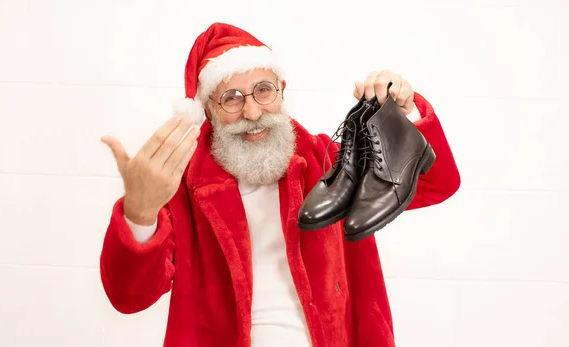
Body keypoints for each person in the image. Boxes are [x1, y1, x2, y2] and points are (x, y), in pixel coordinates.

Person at [99, 22, 461, 347]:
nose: (253, 113)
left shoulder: (328, 162)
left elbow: (435, 183)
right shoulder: (181, 187)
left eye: (263, 90)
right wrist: (141, 211)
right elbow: (130, 298)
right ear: (208, 109)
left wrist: (406, 113)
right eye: (231, 99)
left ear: (282, 91)